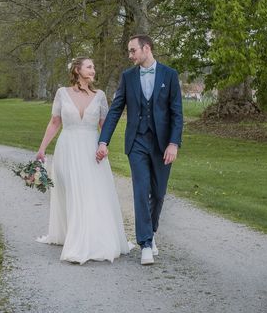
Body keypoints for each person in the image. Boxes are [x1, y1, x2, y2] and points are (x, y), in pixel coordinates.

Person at [35, 57, 133, 264]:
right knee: (72, 191)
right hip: (67, 148)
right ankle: (73, 235)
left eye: (94, 66)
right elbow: (54, 122)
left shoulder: (99, 96)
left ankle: (89, 240)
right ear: (77, 70)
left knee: (90, 192)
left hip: (91, 149)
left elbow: (104, 125)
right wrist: (42, 148)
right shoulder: (62, 93)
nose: (93, 70)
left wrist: (104, 145)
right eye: (89, 66)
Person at [96, 35, 183, 265]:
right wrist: (103, 141)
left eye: (133, 50)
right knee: (140, 190)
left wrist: (174, 143)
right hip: (136, 143)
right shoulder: (128, 77)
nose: (130, 55)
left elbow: (177, 113)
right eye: (129, 51)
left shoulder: (170, 75)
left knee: (159, 193)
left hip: (163, 145)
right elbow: (115, 111)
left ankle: (151, 232)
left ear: (147, 49)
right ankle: (145, 243)